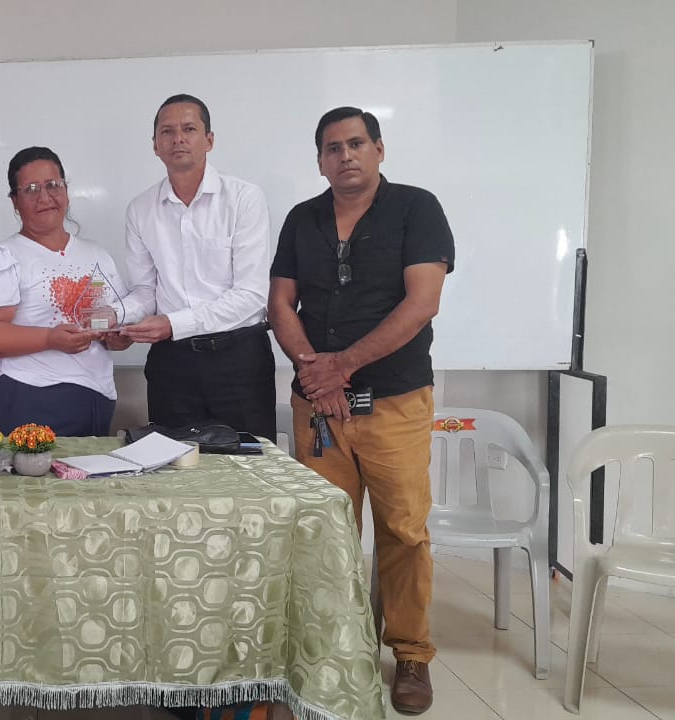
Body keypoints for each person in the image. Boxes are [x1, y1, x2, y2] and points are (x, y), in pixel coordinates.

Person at [267, 106, 454, 714]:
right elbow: (280, 304)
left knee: (402, 530)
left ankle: (411, 654)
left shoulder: (416, 209)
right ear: (320, 160)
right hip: (317, 408)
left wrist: (341, 366)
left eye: (355, 143)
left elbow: (422, 303)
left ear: (378, 149)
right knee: (326, 532)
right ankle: (334, 647)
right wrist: (314, 372)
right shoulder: (302, 219)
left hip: (393, 402)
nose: (344, 155)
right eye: (332, 147)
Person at [113, 93, 275, 439]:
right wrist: (115, 315)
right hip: (172, 365)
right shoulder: (140, 208)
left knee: (247, 463)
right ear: (155, 145)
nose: (178, 139)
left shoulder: (243, 198)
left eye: (189, 129)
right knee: (174, 463)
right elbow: (145, 291)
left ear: (209, 140)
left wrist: (172, 323)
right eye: (167, 131)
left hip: (238, 360)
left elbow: (251, 294)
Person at [0, 146, 125, 436]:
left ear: (66, 191)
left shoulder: (97, 255)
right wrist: (49, 338)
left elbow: (117, 321)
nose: (45, 197)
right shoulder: (2, 257)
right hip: (30, 396)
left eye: (53, 185)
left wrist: (117, 337)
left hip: (97, 397)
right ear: (15, 201)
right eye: (31, 189)